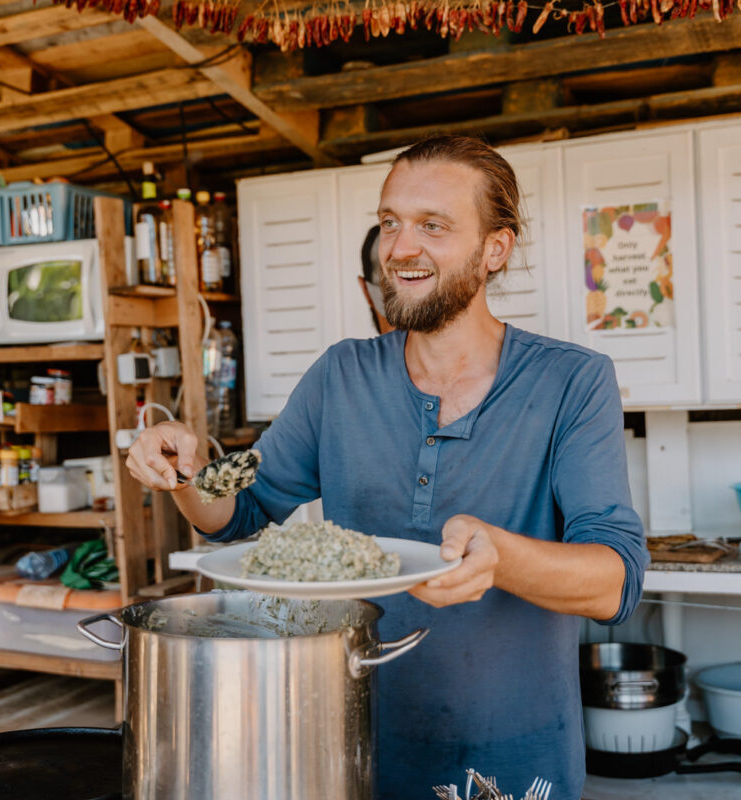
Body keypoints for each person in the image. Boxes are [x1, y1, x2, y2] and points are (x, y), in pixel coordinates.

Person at [124, 134, 648, 800]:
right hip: (349, 740)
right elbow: (238, 514)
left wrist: (501, 560)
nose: (399, 248)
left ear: (495, 248)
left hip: (517, 756)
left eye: (433, 225)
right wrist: (183, 470)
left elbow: (615, 581)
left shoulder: (573, 382)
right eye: (390, 223)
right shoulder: (340, 375)